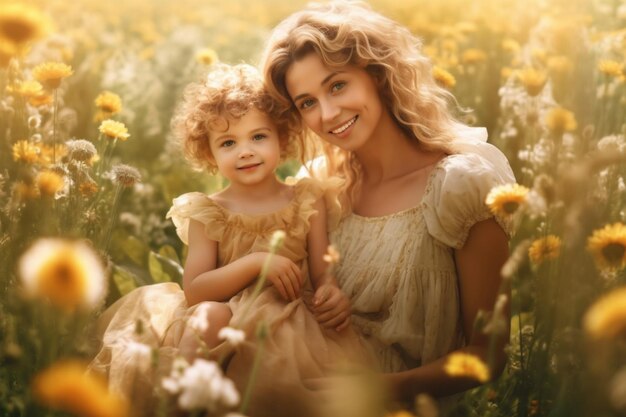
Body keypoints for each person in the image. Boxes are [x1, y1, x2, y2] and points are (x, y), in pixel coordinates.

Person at [261, 0, 515, 409]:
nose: (327, 114)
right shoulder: (319, 187)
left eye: (337, 85)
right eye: (307, 102)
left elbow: (489, 355)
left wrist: (382, 389)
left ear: (377, 75)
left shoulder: (460, 186)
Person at [90, 63, 367, 417]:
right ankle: (184, 403)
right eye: (228, 143)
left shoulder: (306, 199)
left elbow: (321, 271)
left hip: (287, 321)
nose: (245, 151)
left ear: (282, 137)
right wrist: (257, 262)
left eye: (258, 136)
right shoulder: (210, 212)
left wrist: (331, 291)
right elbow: (196, 290)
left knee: (288, 377)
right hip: (222, 316)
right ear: (209, 153)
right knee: (209, 313)